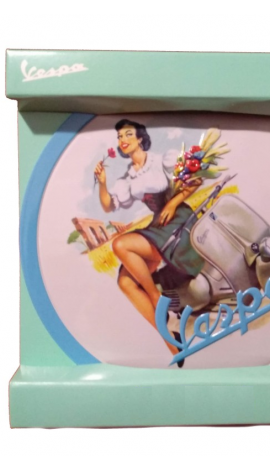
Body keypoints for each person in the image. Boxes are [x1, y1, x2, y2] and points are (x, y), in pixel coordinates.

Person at [94, 119, 204, 364]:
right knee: (125, 282)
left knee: (120, 244)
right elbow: (108, 206)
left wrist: (173, 202)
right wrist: (102, 183)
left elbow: (196, 181)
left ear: (140, 138)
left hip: (177, 222)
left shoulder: (162, 160)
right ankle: (173, 344)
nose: (123, 140)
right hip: (158, 227)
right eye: (120, 137)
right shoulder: (127, 179)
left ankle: (156, 297)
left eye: (128, 134)